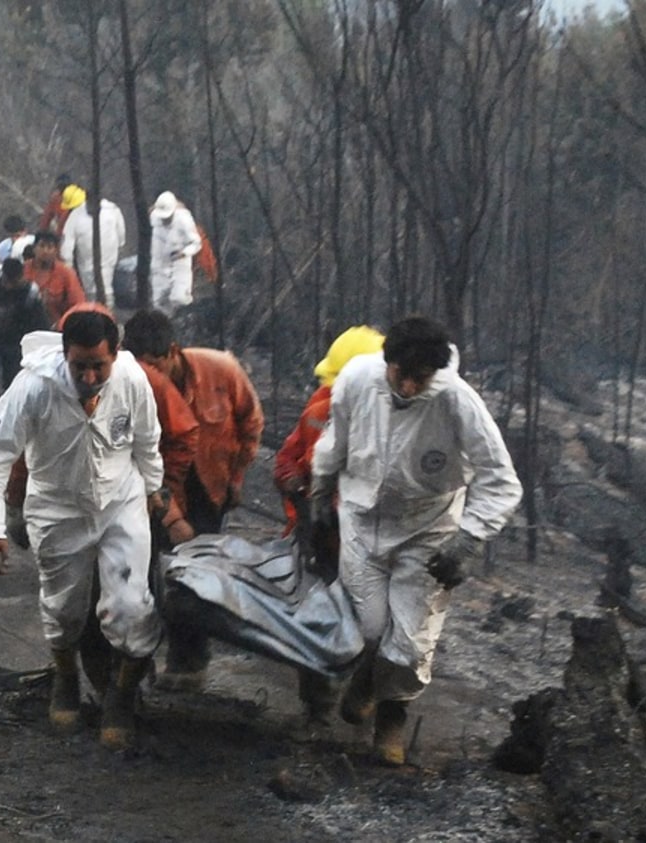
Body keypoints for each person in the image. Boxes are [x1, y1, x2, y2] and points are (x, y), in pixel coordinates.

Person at [308, 315, 521, 765]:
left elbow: (501, 480)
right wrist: (319, 492)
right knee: (365, 628)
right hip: (364, 520)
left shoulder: (458, 402)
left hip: (429, 529)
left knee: (408, 644)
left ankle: (391, 720)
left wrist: (468, 540)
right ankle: (365, 677)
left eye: (418, 379)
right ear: (386, 362)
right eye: (400, 375)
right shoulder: (357, 381)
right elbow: (334, 441)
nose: (407, 387)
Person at [0, 305, 166, 749]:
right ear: (65, 355)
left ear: (115, 355)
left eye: (99, 366)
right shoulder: (33, 388)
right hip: (56, 506)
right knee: (64, 609)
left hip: (120, 501)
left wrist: (153, 488)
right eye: (80, 367)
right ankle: (65, 677)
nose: (90, 377)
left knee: (132, 605)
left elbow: (147, 440)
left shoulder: (133, 380)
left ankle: (121, 696)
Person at [120, 308, 264, 692]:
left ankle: (190, 662)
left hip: (211, 488)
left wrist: (237, 477)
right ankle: (143, 659)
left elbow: (251, 423)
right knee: (153, 573)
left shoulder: (222, 371)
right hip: (161, 490)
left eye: (154, 365)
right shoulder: (134, 386)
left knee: (196, 577)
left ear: (173, 352)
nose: (149, 375)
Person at [274, 326, 388, 550]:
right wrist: (294, 484)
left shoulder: (396, 421)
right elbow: (286, 460)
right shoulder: (320, 407)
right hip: (317, 531)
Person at [0, 257, 51, 406]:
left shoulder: (30, 295)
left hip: (16, 342)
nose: (9, 286)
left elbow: (41, 324)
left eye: (13, 282)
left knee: (14, 381)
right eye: (7, 281)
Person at [58, 185, 127, 308]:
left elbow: (121, 235)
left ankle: (108, 313)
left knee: (106, 290)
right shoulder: (76, 215)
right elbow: (67, 242)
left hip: (108, 260)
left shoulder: (112, 211)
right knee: (90, 293)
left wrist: (118, 249)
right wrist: (68, 267)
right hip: (86, 263)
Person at [148, 191, 201, 315]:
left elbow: (196, 243)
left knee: (180, 298)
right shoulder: (154, 218)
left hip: (179, 264)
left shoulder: (184, 220)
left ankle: (184, 323)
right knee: (159, 302)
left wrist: (184, 253)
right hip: (159, 265)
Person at [24, 230, 86, 326]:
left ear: (56, 251)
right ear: (34, 248)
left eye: (50, 247)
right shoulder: (23, 270)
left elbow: (78, 305)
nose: (45, 251)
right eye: (41, 246)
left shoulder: (66, 273)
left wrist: (62, 324)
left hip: (56, 328)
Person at [36, 172, 73, 237]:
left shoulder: (77, 197)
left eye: (65, 186)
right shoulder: (55, 198)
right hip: (62, 231)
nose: (63, 189)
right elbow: (46, 217)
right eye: (61, 186)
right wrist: (42, 232)